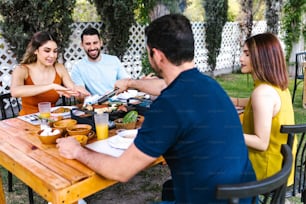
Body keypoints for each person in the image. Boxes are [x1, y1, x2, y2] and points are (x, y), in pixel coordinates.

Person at [57, 14, 255, 203]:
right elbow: (165, 86)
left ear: (157, 56)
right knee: (168, 188)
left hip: (207, 200)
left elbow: (121, 171)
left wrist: (78, 151)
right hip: (243, 196)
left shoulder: (168, 106)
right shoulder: (210, 85)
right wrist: (132, 83)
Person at [231, 33, 297, 185]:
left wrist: (226, 132)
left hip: (265, 173)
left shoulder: (262, 93)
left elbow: (261, 143)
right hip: (280, 168)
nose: (241, 58)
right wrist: (233, 101)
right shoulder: (277, 87)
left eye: (247, 54)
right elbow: (256, 103)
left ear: (262, 58)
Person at [10, 31, 90, 115]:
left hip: (52, 119)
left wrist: (81, 94)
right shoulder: (22, 69)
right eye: (47, 51)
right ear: (35, 51)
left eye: (55, 51)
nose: (52, 55)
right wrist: (51, 86)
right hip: (27, 120)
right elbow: (15, 91)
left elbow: (72, 89)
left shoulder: (59, 68)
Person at [71, 27, 130, 96]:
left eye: (95, 43)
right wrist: (81, 94)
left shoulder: (114, 60)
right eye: (88, 44)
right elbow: (80, 94)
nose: (92, 47)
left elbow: (126, 82)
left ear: (101, 42)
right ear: (82, 45)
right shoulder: (78, 67)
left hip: (118, 102)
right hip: (95, 104)